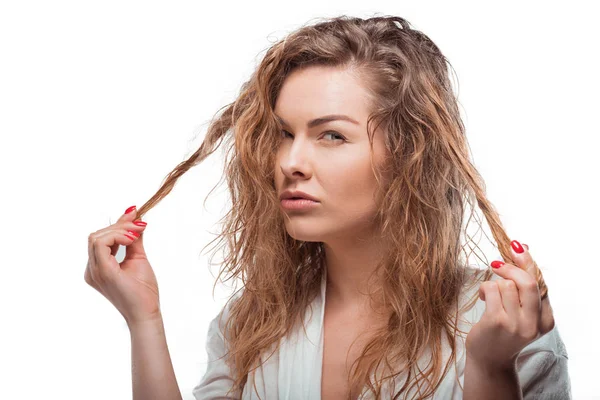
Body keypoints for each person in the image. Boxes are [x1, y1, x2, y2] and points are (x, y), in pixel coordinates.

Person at [85, 15, 571, 399]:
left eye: (331, 135)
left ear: (409, 155)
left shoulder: (502, 326)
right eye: (284, 134)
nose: (290, 162)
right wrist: (143, 318)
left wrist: (490, 368)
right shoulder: (251, 322)